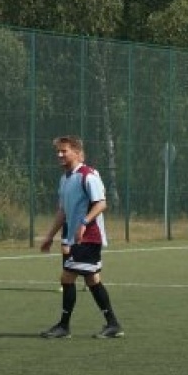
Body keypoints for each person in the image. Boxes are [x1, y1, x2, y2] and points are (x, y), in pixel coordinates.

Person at [39, 134, 123, 339]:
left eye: (64, 151)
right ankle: (113, 324)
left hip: (89, 238)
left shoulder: (88, 176)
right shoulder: (65, 178)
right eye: (58, 151)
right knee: (93, 280)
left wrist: (84, 223)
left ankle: (64, 326)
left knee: (67, 277)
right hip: (76, 238)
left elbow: (101, 203)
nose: (59, 155)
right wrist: (50, 236)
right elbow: (62, 211)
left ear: (77, 152)